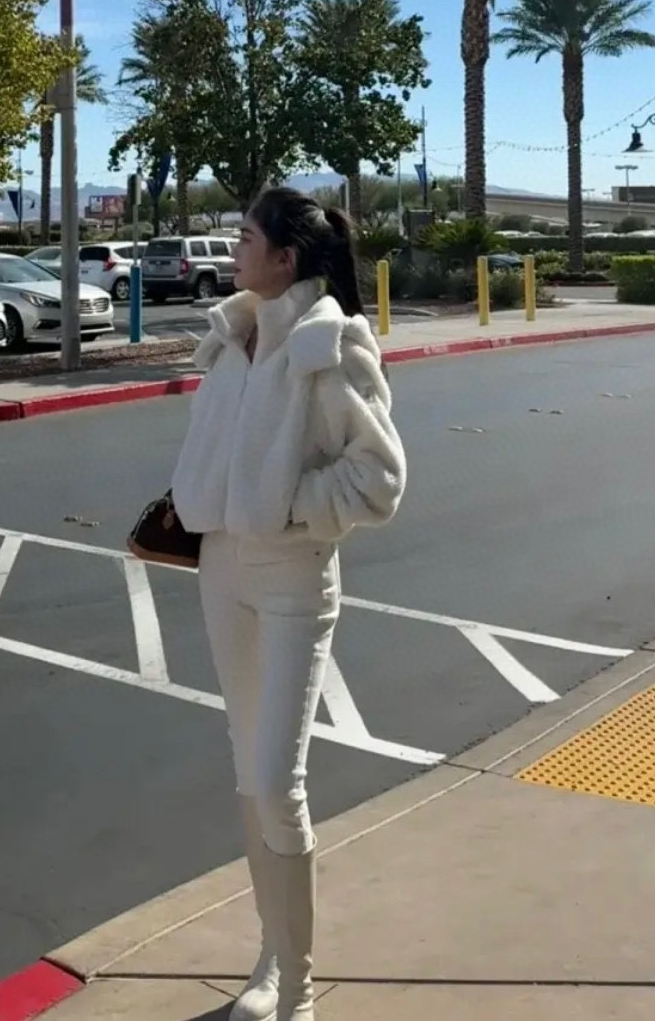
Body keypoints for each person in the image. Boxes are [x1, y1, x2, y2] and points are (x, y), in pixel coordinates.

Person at [171, 187, 406, 1020]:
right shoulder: (229, 338)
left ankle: (298, 988)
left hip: (293, 574)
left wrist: (283, 506)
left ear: (286, 257)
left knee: (277, 779)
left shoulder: (328, 344)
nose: (232, 248)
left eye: (244, 237)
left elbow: (380, 477)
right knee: (248, 770)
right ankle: (270, 958)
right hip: (221, 569)